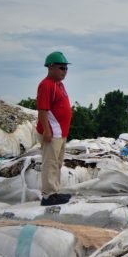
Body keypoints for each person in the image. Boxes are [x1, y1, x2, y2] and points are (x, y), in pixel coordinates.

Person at [36, 51, 73, 206]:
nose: (64, 71)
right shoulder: (46, 85)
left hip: (60, 133)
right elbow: (43, 110)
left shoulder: (59, 84)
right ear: (51, 67)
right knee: (50, 163)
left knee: (57, 163)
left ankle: (54, 192)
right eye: (61, 68)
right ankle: (48, 195)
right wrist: (47, 131)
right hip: (52, 132)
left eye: (65, 68)